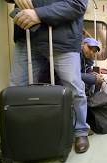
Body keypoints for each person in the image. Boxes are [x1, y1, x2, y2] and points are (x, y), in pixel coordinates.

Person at [5, 0, 90, 154]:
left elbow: (78, 4)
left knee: (75, 88)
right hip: (27, 35)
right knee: (16, 90)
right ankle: (17, 136)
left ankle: (80, 131)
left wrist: (39, 14)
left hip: (63, 38)